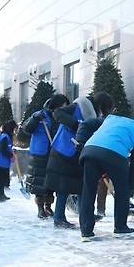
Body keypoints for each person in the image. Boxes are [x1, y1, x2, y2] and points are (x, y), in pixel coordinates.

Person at [44, 93, 112, 228]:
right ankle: (59, 218)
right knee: (64, 186)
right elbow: (57, 113)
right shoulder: (78, 106)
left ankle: (85, 216)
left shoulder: (93, 116)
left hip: (77, 152)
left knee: (81, 186)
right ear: (100, 106)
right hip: (63, 150)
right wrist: (77, 125)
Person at [76, 114, 134, 240]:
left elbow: (87, 124)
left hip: (89, 151)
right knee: (122, 191)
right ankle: (120, 227)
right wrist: (130, 187)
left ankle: (86, 231)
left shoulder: (111, 119)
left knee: (88, 190)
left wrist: (81, 141)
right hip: (115, 155)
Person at [20, 94, 69, 219]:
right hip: (40, 154)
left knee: (52, 183)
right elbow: (26, 128)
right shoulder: (40, 116)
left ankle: (48, 206)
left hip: (54, 152)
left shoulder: (60, 117)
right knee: (39, 183)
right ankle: (40, 208)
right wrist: (35, 119)